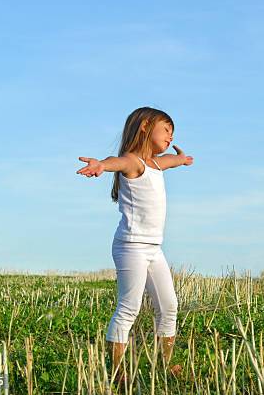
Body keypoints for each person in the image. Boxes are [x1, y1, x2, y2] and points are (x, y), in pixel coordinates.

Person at [76, 107, 193, 383]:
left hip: (154, 248)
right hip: (131, 246)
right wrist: (101, 166)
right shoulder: (133, 161)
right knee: (129, 307)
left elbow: (168, 163)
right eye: (166, 129)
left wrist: (180, 159)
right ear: (144, 126)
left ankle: (164, 365)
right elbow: (114, 162)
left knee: (169, 306)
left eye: (172, 132)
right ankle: (117, 373)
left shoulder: (154, 164)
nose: (170, 135)